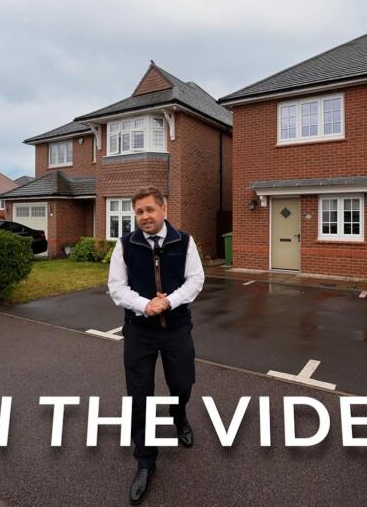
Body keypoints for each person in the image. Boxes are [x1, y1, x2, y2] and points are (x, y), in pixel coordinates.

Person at [107, 185, 205, 505]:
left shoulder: (184, 241)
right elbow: (117, 287)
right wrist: (146, 305)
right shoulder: (125, 244)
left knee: (182, 383)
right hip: (139, 331)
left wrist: (168, 302)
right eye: (139, 212)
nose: (144, 216)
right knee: (139, 398)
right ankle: (145, 462)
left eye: (150, 209)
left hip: (176, 328)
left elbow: (195, 280)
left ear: (164, 209)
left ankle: (179, 415)